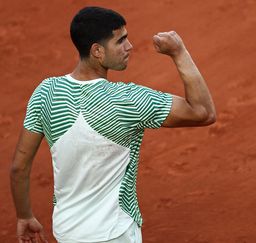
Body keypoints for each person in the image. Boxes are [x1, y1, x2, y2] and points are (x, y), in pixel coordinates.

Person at [10, 6, 216, 243]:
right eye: (121, 41)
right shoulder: (127, 100)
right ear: (97, 51)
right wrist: (179, 52)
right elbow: (203, 112)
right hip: (115, 234)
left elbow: (19, 168)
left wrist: (24, 216)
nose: (129, 46)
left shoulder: (45, 92)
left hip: (67, 233)